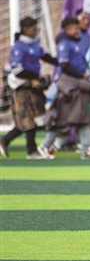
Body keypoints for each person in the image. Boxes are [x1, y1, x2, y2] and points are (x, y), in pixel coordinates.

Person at [39, 17, 90, 160]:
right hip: (69, 86)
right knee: (63, 119)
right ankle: (45, 145)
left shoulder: (77, 42)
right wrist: (81, 75)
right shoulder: (64, 44)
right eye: (76, 28)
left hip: (79, 85)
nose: (78, 31)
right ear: (67, 29)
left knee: (82, 117)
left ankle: (86, 148)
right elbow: (64, 65)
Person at [0, 17, 57, 159]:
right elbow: (17, 70)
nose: (35, 30)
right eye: (33, 28)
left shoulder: (35, 43)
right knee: (28, 119)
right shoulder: (18, 46)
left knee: (34, 118)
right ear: (25, 29)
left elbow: (44, 56)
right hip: (22, 86)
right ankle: (31, 151)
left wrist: (59, 63)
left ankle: (5, 140)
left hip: (33, 86)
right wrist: (37, 77)